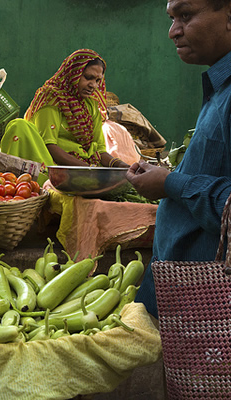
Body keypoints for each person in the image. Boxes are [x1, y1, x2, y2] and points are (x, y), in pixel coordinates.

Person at [126, 0, 231, 318]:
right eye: (172, 18)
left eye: (186, 16)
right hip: (185, 290)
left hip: (209, 302)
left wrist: (171, 182)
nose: (173, 31)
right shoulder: (220, 87)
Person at [0, 49, 129, 184]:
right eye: (88, 77)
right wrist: (89, 170)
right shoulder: (52, 98)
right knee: (19, 126)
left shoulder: (90, 105)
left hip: (85, 166)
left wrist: (121, 166)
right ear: (73, 74)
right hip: (55, 165)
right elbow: (49, 145)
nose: (93, 85)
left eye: (98, 80)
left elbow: (100, 150)